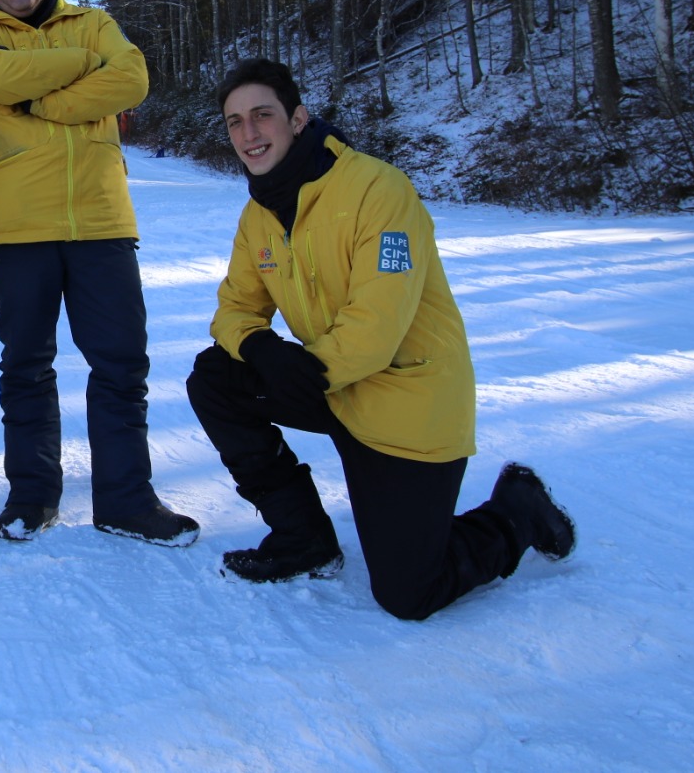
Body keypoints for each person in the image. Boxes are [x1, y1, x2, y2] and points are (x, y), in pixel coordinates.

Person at [187, 58, 574, 620]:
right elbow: (234, 310)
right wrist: (259, 347)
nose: (248, 134)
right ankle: (303, 539)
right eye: (234, 122)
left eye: (262, 116)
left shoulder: (378, 190)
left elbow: (375, 329)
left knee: (408, 593)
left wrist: (302, 373)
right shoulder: (259, 216)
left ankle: (517, 512)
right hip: (336, 390)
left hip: (406, 406)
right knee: (215, 377)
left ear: (298, 120)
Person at [0, 0, 197, 546]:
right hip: (17, 230)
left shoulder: (93, 20)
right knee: (26, 366)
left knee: (121, 364)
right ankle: (32, 496)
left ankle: (126, 500)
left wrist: (34, 99)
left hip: (101, 223)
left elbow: (134, 77)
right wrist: (78, 68)